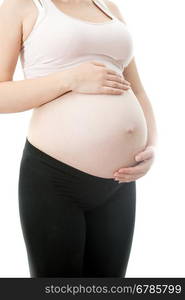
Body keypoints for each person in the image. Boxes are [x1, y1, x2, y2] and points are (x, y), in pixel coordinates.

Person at [0, 0, 157, 277]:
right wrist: (70, 79)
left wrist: (151, 145)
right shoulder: (21, 5)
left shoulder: (107, 6)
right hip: (55, 180)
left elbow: (139, 91)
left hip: (120, 184)